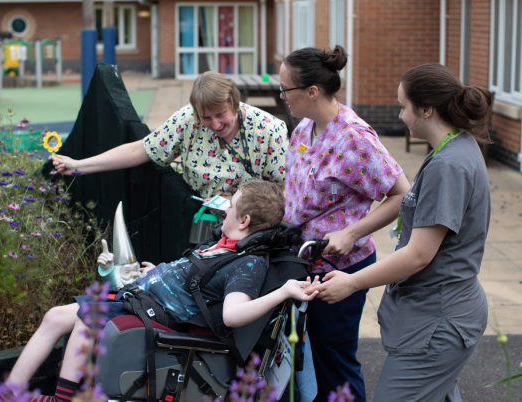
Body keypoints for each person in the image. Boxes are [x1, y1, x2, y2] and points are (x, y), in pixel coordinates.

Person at [0, 180, 321, 402]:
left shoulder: (247, 263)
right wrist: (157, 273)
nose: (224, 205)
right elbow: (193, 278)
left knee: (80, 320)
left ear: (244, 220)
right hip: (146, 297)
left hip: (155, 314)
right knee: (55, 316)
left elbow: (232, 313)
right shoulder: (225, 244)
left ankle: (60, 398)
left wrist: (285, 290)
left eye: (232, 202)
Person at [317, 63, 492, 401]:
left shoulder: (448, 166)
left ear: (426, 109)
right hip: (441, 314)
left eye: (403, 107)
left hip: (438, 321)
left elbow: (418, 254)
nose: (399, 116)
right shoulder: (455, 148)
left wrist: (351, 282)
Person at [279, 46, 411, 402]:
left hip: (339, 269)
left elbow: (402, 195)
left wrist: (352, 232)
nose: (281, 96)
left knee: (334, 363)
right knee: (307, 363)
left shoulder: (354, 136)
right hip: (302, 263)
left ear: (312, 92)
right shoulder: (304, 127)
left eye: (285, 89)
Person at [50, 72, 289, 199]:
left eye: (221, 115)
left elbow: (281, 191)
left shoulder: (270, 129)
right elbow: (139, 150)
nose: (215, 124)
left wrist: (239, 203)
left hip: (251, 225)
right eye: (206, 118)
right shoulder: (187, 119)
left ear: (235, 104)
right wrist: (79, 165)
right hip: (199, 218)